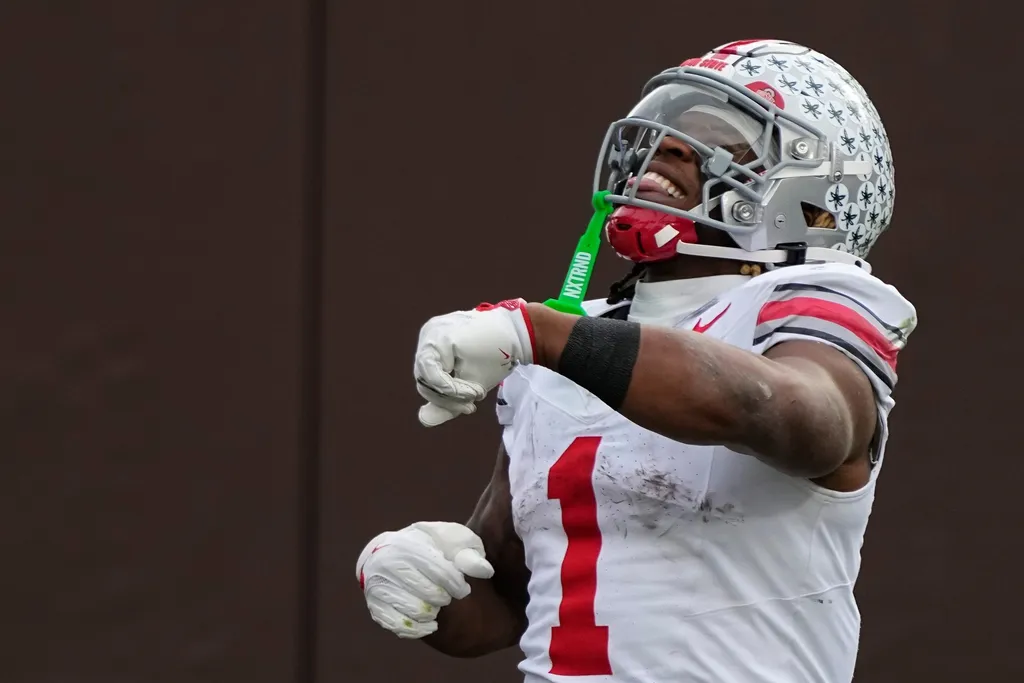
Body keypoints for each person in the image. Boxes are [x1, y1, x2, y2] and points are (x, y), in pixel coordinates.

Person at [356, 38, 917, 683]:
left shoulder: (815, 301)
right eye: (670, 125)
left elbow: (801, 419)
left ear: (815, 202)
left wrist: (542, 333)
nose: (669, 146)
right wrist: (432, 588)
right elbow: (514, 597)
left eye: (722, 136)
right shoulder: (570, 343)